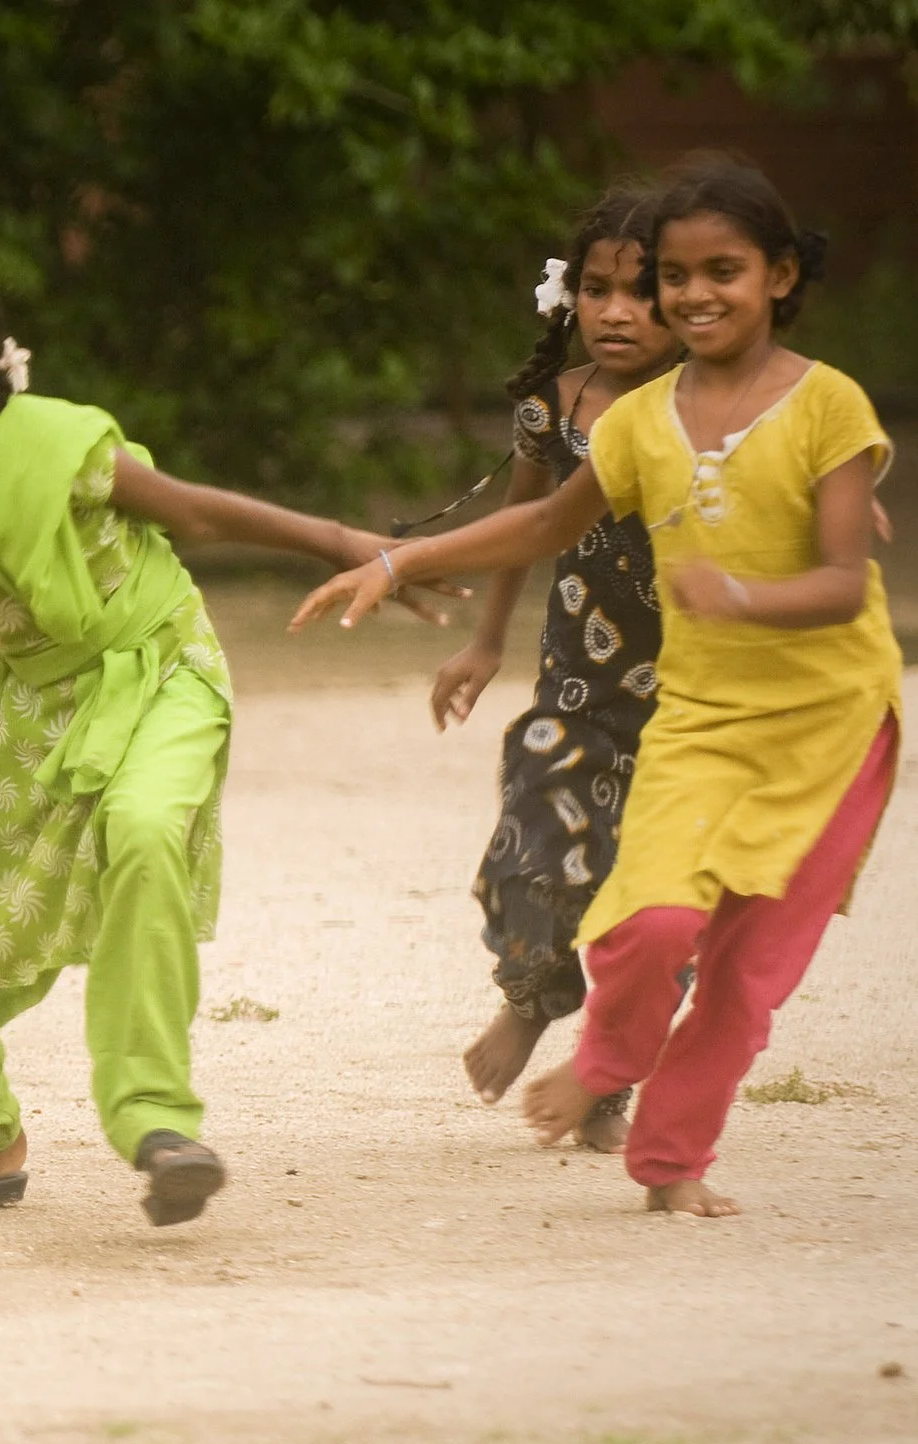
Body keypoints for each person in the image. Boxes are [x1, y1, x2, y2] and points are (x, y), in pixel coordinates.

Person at [294, 155, 896, 1218]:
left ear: (783, 277)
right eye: (674, 274)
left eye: (724, 270)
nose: (692, 294)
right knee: (651, 923)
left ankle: (669, 1163)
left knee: (747, 966)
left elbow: (847, 585)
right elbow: (535, 524)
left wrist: (749, 596)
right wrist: (396, 562)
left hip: (827, 726)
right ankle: (607, 1055)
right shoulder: (630, 422)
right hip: (698, 717)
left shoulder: (829, 407)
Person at [0, 245, 436, 1224]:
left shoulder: (54, 444)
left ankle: (154, 1119)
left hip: (161, 670)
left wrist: (354, 546)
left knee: (141, 833)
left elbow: (195, 513)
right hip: (39, 712)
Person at [427, 186, 682, 1144]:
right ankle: (533, 1001)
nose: (617, 311)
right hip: (575, 692)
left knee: (646, 899)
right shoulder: (554, 404)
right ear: (568, 296)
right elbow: (520, 528)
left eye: (643, 292)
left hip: (691, 707)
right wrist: (487, 640)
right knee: (529, 861)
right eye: (598, 289)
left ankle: (606, 1080)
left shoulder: (707, 410)